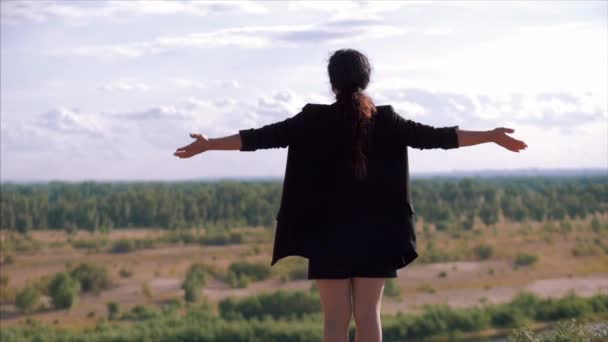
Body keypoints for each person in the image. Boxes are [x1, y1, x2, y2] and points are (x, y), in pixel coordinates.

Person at [173, 48, 527, 342]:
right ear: (366, 79)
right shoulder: (386, 120)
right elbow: (439, 137)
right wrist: (491, 135)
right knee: (369, 317)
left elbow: (259, 137)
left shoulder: (311, 119)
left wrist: (209, 146)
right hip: (378, 235)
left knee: (334, 322)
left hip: (327, 237)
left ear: (332, 82)